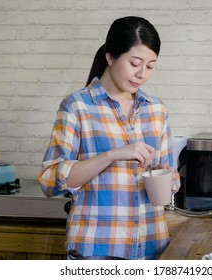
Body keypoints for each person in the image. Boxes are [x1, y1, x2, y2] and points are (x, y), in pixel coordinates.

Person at [38, 16, 179, 260]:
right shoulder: (78, 106)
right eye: (135, 63)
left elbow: (169, 179)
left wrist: (169, 177)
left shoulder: (157, 110)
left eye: (150, 66)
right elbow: (50, 181)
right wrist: (113, 154)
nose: (142, 74)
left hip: (152, 246)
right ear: (111, 57)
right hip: (97, 249)